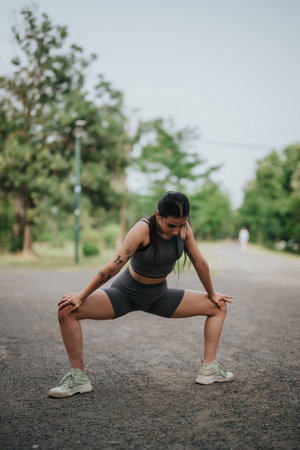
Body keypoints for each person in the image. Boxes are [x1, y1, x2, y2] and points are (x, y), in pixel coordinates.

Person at [49, 192, 234, 398]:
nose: (176, 231)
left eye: (181, 225)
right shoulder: (143, 229)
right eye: (171, 225)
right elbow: (113, 266)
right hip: (125, 295)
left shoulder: (184, 230)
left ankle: (209, 369)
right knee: (67, 310)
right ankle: (78, 378)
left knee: (219, 306)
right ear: (158, 215)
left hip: (159, 296)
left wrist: (211, 293)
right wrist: (82, 296)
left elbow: (200, 263)